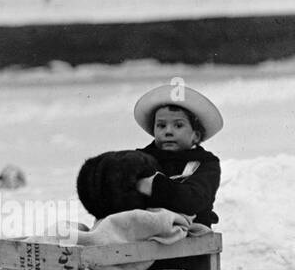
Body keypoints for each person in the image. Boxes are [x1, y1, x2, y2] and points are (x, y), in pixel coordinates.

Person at [76, 85, 223, 225]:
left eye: (178, 125)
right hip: (145, 234)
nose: (168, 131)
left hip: (190, 235)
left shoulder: (205, 164)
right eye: (161, 125)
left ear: (195, 136)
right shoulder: (142, 160)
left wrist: (154, 186)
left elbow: (194, 200)